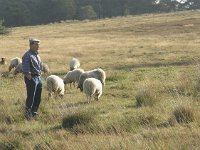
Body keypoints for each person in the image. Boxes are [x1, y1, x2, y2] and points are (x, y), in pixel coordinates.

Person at [22, 38, 43, 119]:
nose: (38, 46)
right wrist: (30, 77)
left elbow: (40, 66)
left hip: (38, 77)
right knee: (31, 96)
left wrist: (39, 76)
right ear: (31, 45)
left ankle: (34, 112)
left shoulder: (37, 55)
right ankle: (28, 114)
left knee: (38, 97)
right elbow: (26, 69)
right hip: (32, 78)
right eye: (36, 44)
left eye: (39, 44)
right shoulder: (27, 55)